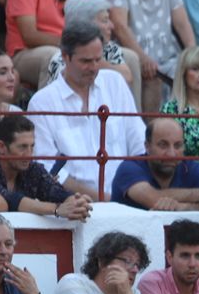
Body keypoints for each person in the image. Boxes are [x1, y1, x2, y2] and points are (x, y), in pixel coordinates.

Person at [30, 20, 145, 199]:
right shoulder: (42, 102)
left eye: (98, 60)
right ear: (65, 56)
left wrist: (134, 192)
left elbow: (138, 142)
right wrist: (103, 198)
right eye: (85, 61)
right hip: (73, 205)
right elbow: (47, 168)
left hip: (127, 198)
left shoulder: (115, 82)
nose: (93, 68)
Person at [107, 0, 192, 113]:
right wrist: (143, 58)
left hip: (168, 54)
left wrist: (193, 53)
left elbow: (182, 23)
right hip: (134, 53)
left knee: (197, 70)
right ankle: (151, 134)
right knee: (152, 75)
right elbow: (120, 27)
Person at [0, 114, 91, 220]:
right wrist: (57, 209)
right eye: (22, 147)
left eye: (32, 146)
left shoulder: (32, 169)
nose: (29, 155)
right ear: (2, 147)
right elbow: (10, 200)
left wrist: (75, 202)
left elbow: (54, 190)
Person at [111, 117, 199, 210]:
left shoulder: (194, 168)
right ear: (147, 146)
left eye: (177, 145)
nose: (172, 154)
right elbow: (153, 199)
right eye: (163, 145)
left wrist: (182, 207)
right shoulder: (129, 168)